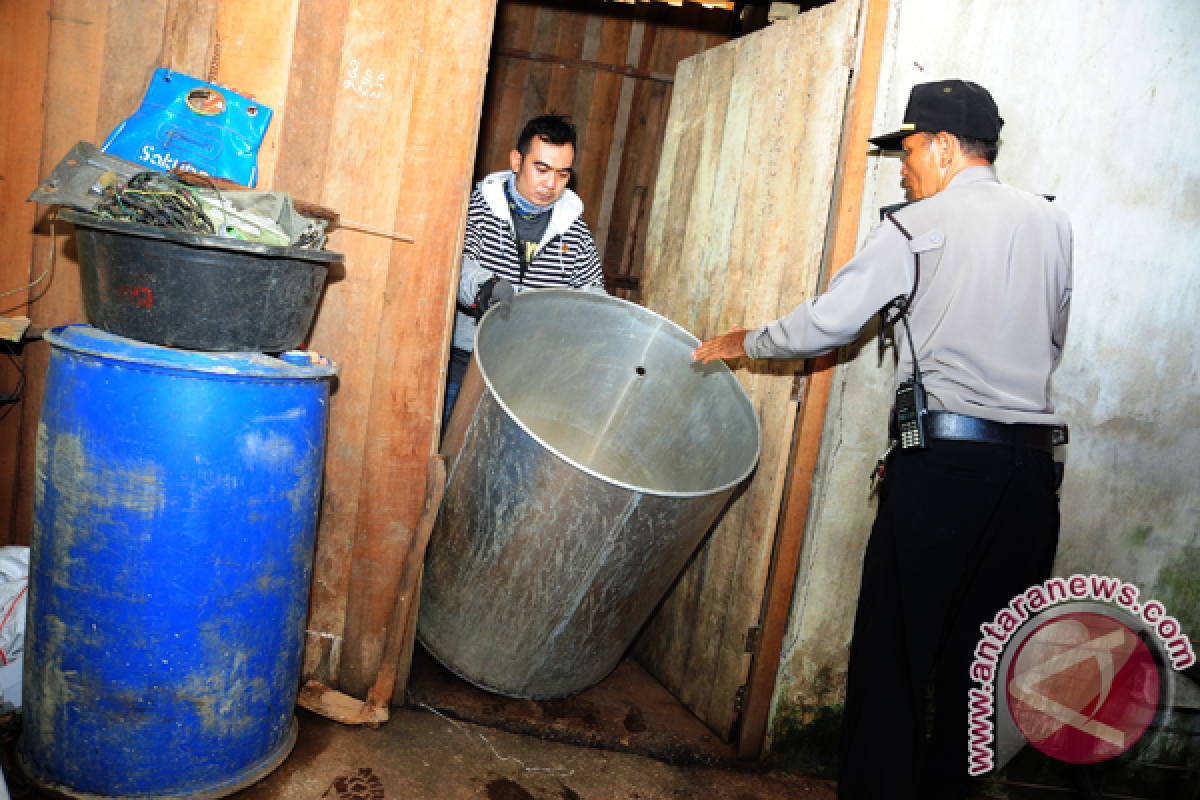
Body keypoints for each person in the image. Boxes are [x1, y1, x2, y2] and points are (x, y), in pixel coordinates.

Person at [693, 80, 1072, 798]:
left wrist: (752, 339)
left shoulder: (913, 227)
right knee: (983, 665)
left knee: (893, 655)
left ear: (944, 146)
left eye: (907, 150)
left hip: (944, 473)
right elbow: (1052, 334)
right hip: (1029, 478)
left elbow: (832, 322)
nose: (902, 168)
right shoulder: (1053, 224)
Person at [444, 114, 606, 421]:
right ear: (517, 161)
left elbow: (593, 296)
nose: (550, 184)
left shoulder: (575, 231)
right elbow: (456, 265)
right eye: (541, 169)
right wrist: (485, 287)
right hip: (466, 364)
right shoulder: (476, 209)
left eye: (562, 174)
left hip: (531, 375)